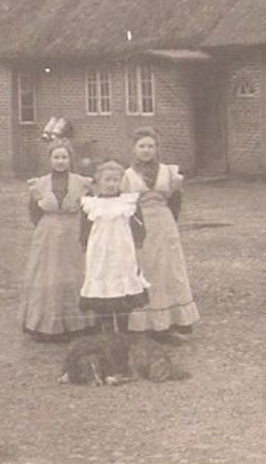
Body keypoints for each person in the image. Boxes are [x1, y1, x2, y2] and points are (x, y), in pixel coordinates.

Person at [122, 127, 200, 339]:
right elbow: (125, 205)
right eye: (142, 146)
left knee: (170, 269)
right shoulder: (128, 175)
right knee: (147, 270)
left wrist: (169, 223)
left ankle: (175, 318)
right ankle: (148, 321)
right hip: (141, 224)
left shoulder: (168, 172)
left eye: (150, 146)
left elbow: (176, 201)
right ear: (134, 149)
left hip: (165, 224)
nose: (146, 150)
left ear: (156, 148)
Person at [19, 140, 97, 341]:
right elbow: (34, 211)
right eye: (56, 157)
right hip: (48, 234)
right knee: (48, 276)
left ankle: (78, 324)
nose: (60, 161)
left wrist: (85, 234)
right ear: (50, 160)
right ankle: (45, 324)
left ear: (70, 160)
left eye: (64, 157)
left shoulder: (82, 183)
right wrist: (45, 229)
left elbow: (89, 210)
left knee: (73, 275)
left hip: (73, 232)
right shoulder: (39, 184)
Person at [79, 160, 150, 333]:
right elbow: (84, 230)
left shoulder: (128, 203)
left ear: (121, 182)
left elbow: (139, 228)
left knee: (122, 288)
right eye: (107, 180)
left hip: (122, 252)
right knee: (103, 288)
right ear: (98, 181)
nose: (111, 184)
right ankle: (107, 331)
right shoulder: (91, 204)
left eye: (115, 180)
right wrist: (86, 248)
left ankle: (124, 330)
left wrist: (137, 246)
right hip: (100, 254)